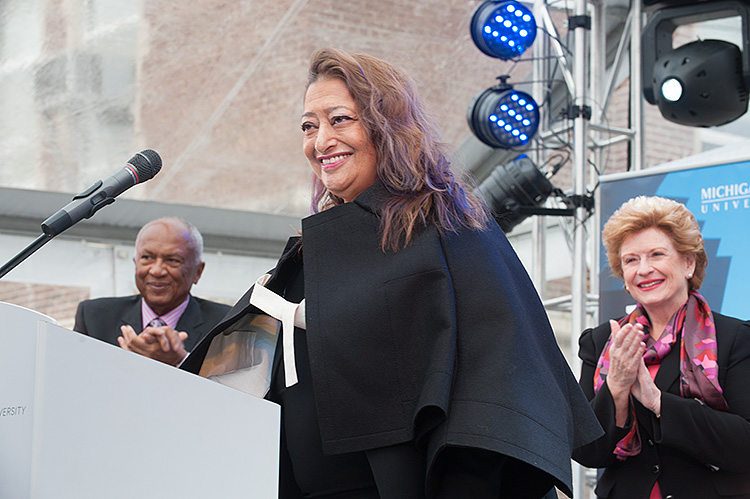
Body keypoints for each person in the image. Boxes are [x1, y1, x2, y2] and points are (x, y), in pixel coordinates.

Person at [182, 48, 602, 498]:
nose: (321, 141)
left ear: (388, 125)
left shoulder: (451, 234)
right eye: (309, 125)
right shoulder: (306, 259)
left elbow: (494, 397)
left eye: (339, 119)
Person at [573, 196, 750, 498]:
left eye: (656, 254)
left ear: (688, 263)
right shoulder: (602, 341)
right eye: (631, 260)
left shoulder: (734, 337)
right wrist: (616, 388)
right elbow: (586, 451)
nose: (644, 269)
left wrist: (658, 402)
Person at [73, 216, 230, 366]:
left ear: (198, 272)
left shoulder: (225, 326)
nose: (156, 271)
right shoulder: (94, 317)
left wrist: (182, 361)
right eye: (147, 258)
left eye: (172, 260)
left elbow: (233, 390)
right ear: (136, 263)